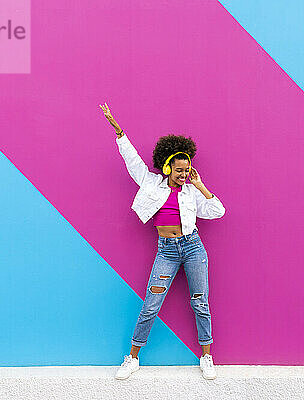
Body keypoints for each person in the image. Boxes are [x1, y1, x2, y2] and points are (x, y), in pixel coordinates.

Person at [99, 102, 226, 380]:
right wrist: (118, 130)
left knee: (200, 301)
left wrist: (200, 184)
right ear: (168, 167)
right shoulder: (151, 183)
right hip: (166, 252)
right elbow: (132, 160)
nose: (183, 175)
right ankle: (132, 358)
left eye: (187, 170)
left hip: (193, 248)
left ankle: (207, 356)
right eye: (179, 170)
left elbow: (218, 211)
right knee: (151, 304)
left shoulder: (191, 192)